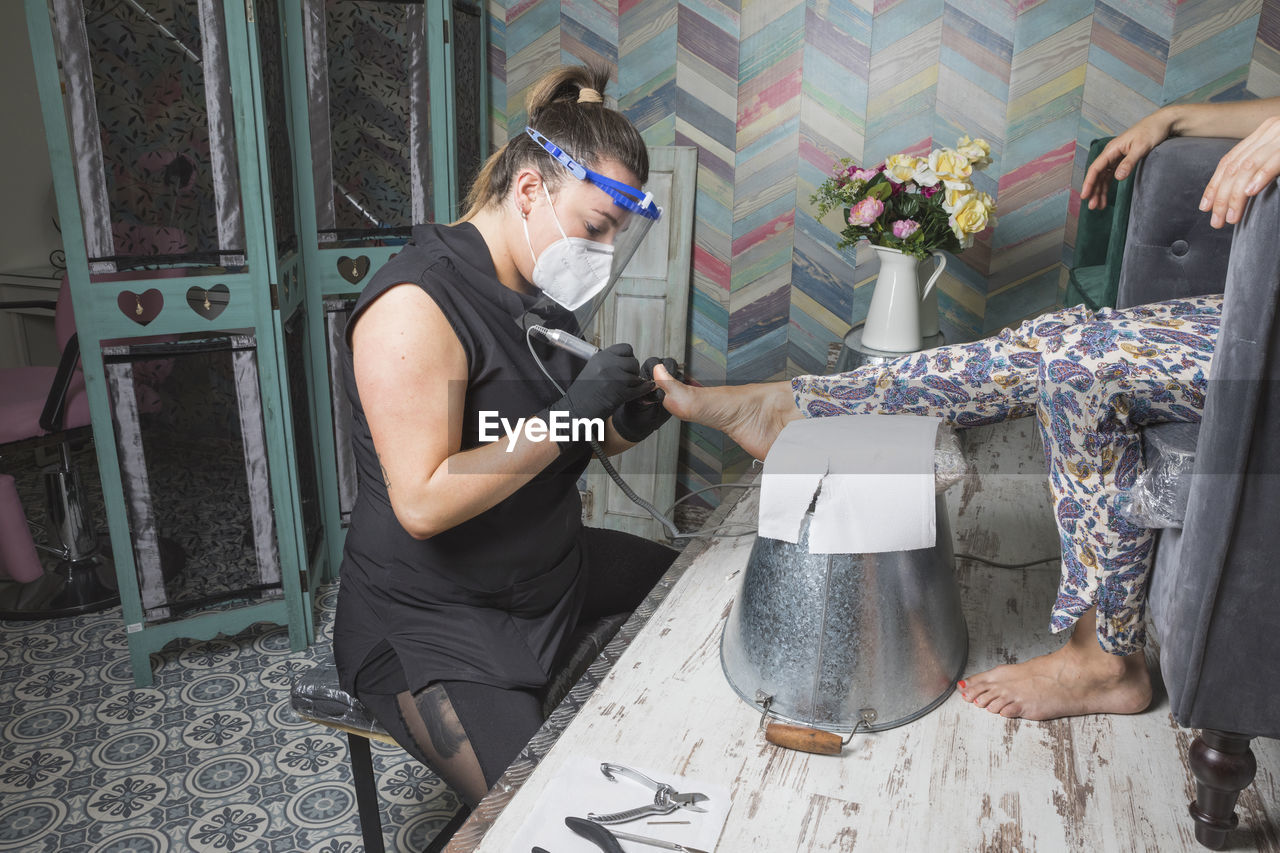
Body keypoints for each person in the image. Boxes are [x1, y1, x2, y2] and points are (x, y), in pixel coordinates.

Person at [651, 97, 1280, 722]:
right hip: (1255, 310)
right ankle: (799, 405)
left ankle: (1105, 661)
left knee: (1079, 368)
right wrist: (1173, 118)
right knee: (1056, 338)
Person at [334, 64, 678, 808]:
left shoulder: (540, 292)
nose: (603, 253)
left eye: (615, 235)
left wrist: (621, 421)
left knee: (693, 600)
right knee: (543, 815)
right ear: (530, 192)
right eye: (596, 228)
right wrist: (569, 416)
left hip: (547, 572)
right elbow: (422, 501)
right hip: (435, 616)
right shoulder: (414, 304)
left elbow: (550, 443)